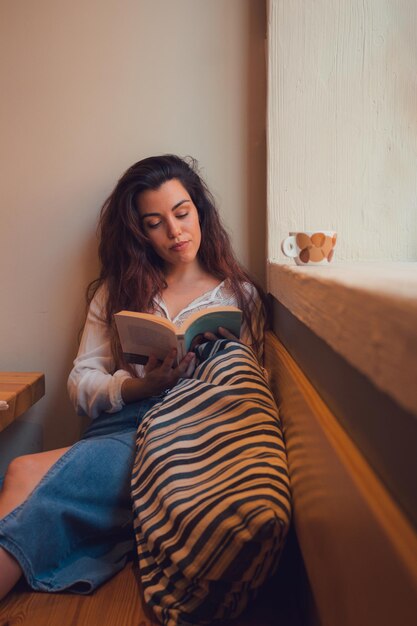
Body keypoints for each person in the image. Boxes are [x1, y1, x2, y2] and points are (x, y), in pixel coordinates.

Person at [0, 154, 267, 601]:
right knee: (22, 468)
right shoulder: (118, 289)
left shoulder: (240, 296)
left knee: (34, 479)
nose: (175, 232)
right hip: (120, 426)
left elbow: (256, 392)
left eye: (182, 213)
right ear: (139, 231)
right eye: (155, 222)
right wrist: (139, 385)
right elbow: (81, 381)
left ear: (200, 210)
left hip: (191, 437)